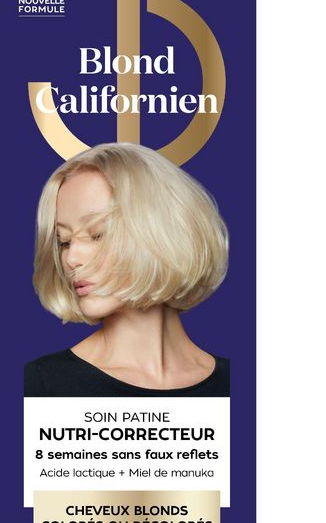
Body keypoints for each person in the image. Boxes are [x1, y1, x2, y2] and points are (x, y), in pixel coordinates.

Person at [24, 142, 230, 397]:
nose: (71, 258)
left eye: (98, 234)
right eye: (64, 241)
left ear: (163, 233)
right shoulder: (43, 386)